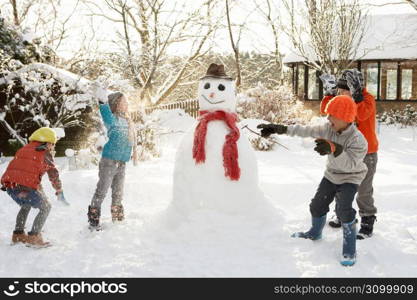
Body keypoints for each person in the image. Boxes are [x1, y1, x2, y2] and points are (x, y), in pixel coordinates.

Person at [257, 95, 368, 266]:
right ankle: (315, 233)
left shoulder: (358, 140)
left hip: (350, 177)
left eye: (332, 115)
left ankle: (349, 246)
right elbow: (305, 130)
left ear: (345, 118)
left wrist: (334, 149)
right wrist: (280, 128)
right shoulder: (327, 129)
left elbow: (350, 165)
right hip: (331, 174)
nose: (328, 118)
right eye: (328, 114)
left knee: (343, 209)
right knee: (317, 205)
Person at [320, 69, 379, 239]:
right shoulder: (342, 100)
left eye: (345, 89)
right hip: (344, 152)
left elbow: (361, 114)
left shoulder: (367, 99)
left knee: (364, 189)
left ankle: (367, 218)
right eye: (339, 90)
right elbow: (326, 111)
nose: (342, 93)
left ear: (356, 88)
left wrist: (358, 96)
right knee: (341, 183)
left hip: (367, 153)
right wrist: (329, 94)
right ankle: (341, 213)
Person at [1, 127, 64, 247]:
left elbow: (23, 169)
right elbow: (53, 173)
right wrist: (58, 189)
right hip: (25, 186)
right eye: (52, 144)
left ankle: (18, 235)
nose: (52, 147)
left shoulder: (24, 148)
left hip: (10, 186)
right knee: (46, 207)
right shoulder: (44, 152)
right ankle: (34, 237)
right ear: (47, 142)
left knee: (26, 205)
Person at [87, 92, 137, 230]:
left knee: (118, 192)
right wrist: (103, 101)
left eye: (126, 101)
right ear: (115, 104)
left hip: (122, 162)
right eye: (123, 101)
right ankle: (94, 221)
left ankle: (118, 219)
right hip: (109, 161)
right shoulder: (112, 119)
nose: (126, 104)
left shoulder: (127, 120)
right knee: (102, 190)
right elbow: (105, 112)